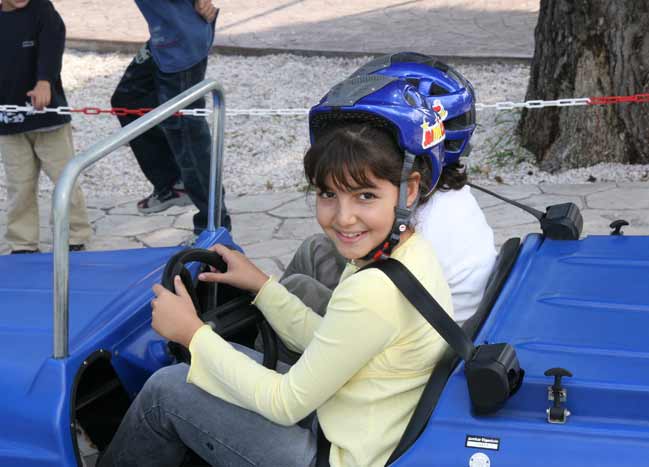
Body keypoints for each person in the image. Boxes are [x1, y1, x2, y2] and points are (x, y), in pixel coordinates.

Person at [98, 76, 453, 467]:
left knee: (166, 389)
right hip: (357, 425)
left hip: (338, 456)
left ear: (409, 190)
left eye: (365, 195)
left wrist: (192, 334)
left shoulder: (374, 290)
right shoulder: (408, 252)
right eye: (328, 194)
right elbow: (329, 339)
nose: (343, 217)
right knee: (215, 361)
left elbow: (285, 403)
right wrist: (261, 286)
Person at [282, 52, 497, 326]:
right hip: (423, 312)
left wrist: (264, 289)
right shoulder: (445, 196)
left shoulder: (418, 229)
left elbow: (372, 308)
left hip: (409, 331)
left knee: (295, 289)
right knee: (315, 249)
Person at [110, 0, 231, 233]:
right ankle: (173, 183)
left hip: (181, 46)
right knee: (129, 99)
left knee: (187, 136)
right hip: (164, 41)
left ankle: (214, 228)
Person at [0, 0, 91, 254]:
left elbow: (52, 47)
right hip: (9, 123)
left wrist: (44, 81)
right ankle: (22, 242)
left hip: (48, 120)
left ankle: (74, 234)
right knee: (19, 186)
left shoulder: (43, 11)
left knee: (64, 178)